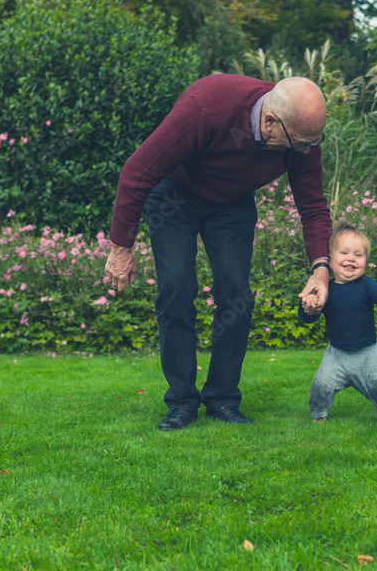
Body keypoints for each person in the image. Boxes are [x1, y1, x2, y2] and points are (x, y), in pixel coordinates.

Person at [103, 74, 333, 430]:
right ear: (270, 122)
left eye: (310, 143)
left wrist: (321, 268)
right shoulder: (209, 105)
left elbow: (313, 206)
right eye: (300, 144)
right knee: (177, 289)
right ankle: (181, 402)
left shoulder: (300, 134)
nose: (304, 151)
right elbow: (137, 172)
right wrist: (122, 247)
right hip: (175, 198)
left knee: (236, 295)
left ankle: (222, 398)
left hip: (231, 204)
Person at [298, 223, 377, 431]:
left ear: (365, 261)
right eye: (344, 252)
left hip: (367, 354)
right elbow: (308, 318)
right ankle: (319, 418)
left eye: (358, 255)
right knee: (321, 386)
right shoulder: (324, 290)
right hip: (336, 354)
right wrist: (310, 308)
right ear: (329, 260)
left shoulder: (367, 285)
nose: (351, 258)